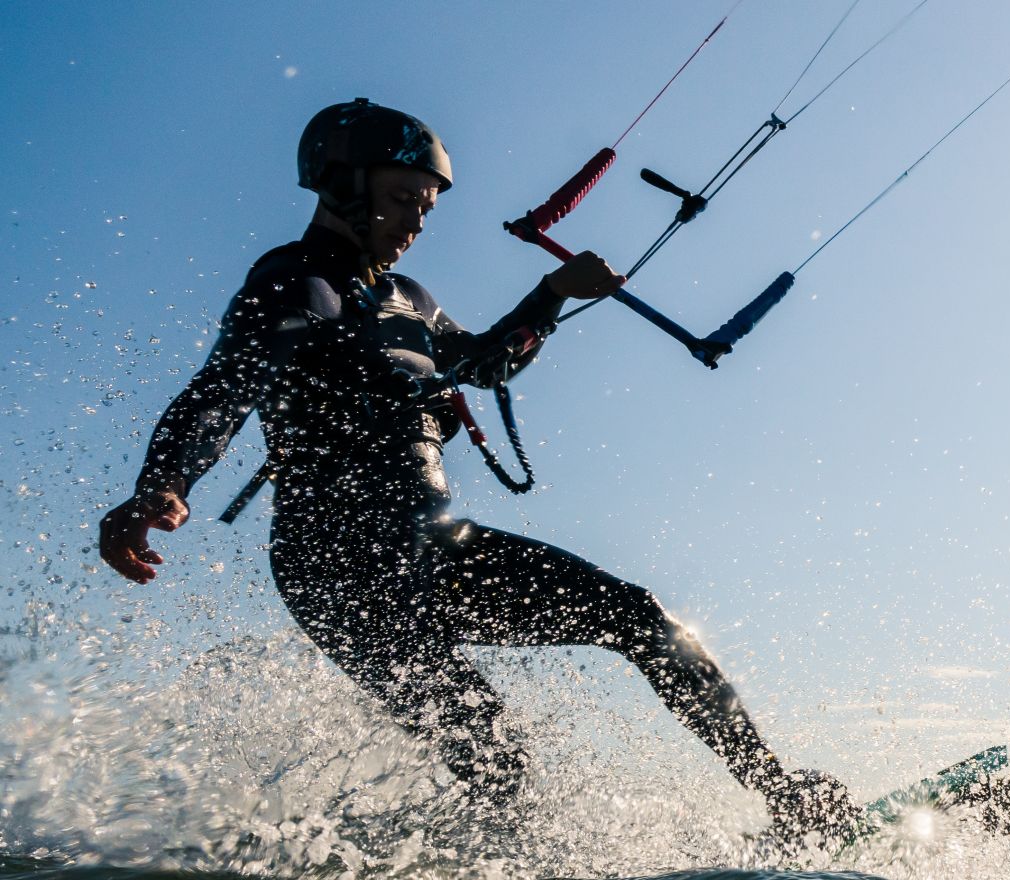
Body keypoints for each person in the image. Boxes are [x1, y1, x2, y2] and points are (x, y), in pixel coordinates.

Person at [97, 98, 853, 833]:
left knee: (636, 614)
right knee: (498, 757)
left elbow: (486, 365)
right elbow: (225, 388)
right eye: (401, 199)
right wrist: (163, 484)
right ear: (340, 186)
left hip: (433, 545)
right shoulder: (295, 283)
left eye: (427, 207)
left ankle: (784, 796)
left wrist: (552, 292)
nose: (416, 221)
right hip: (339, 569)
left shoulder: (408, 298)